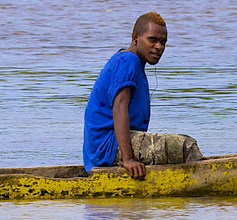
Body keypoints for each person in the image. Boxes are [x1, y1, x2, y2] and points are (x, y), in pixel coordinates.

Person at [81, 12, 202, 177]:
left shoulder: (134, 63)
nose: (159, 47)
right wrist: (128, 159)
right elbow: (119, 108)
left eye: (163, 42)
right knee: (184, 146)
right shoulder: (128, 61)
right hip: (108, 147)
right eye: (152, 40)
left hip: (112, 145)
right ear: (135, 38)